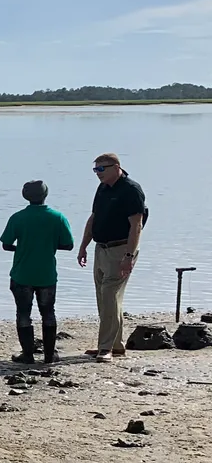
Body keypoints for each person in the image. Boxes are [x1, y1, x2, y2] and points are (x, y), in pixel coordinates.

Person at [76, 153, 147, 359]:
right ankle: (115, 345)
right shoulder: (103, 188)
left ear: (116, 167)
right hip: (101, 248)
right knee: (105, 298)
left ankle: (105, 348)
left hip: (120, 249)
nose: (98, 174)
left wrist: (129, 255)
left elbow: (136, 226)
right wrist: (83, 246)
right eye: (95, 170)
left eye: (101, 169)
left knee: (109, 296)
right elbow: (94, 217)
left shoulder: (131, 190)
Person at [0, 180, 74, 364]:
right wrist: (48, 245)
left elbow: (6, 245)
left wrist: (23, 247)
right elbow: (68, 244)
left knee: (23, 313)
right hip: (46, 274)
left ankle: (28, 354)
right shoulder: (57, 217)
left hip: (22, 273)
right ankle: (49, 355)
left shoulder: (17, 217)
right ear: (45, 195)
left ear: (25, 196)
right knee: (48, 312)